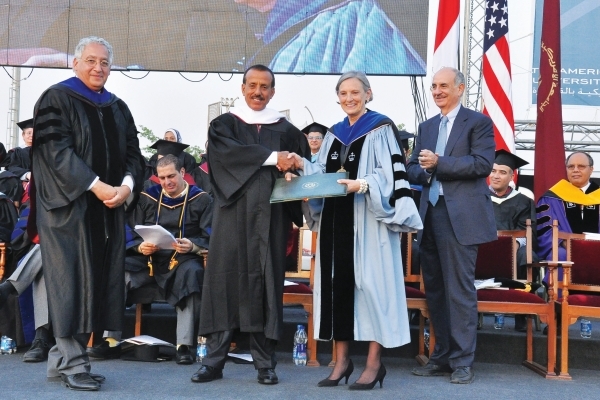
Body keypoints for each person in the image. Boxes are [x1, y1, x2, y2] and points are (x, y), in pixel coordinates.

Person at [292, 71, 422, 390]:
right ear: (338, 98)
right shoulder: (334, 134)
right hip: (336, 223)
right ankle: (342, 362)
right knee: (338, 288)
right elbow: (323, 173)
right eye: (343, 93)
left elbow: (390, 174)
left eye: (355, 92)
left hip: (370, 221)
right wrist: (300, 167)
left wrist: (362, 184)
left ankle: (374, 364)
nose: (349, 98)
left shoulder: (381, 128)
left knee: (372, 289)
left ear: (368, 94)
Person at [29, 36, 144, 391]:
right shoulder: (56, 98)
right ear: (75, 63)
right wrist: (96, 185)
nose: (98, 68)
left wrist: (126, 186)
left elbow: (134, 154)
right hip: (69, 211)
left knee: (94, 284)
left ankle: (61, 362)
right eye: (91, 60)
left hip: (107, 210)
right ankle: (74, 364)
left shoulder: (117, 106)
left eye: (105, 62)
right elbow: (55, 153)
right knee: (71, 284)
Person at [191, 64, 309, 385]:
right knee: (223, 283)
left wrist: (292, 172)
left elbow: (299, 165)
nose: (258, 92)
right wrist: (273, 158)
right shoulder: (224, 125)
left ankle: (265, 364)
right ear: (242, 88)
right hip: (232, 216)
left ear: (273, 91)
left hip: (271, 219)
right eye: (252, 85)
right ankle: (213, 362)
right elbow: (225, 157)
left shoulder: (287, 130)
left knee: (266, 285)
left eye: (264, 87)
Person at [407, 67, 496, 384]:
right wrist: (426, 169)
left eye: (443, 85)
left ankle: (462, 362)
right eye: (433, 86)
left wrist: (439, 163)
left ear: (460, 88)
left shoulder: (478, 122)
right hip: (429, 215)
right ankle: (441, 357)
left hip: (460, 217)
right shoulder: (427, 126)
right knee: (435, 291)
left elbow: (482, 164)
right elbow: (412, 168)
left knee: (458, 291)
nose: (437, 91)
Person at [90, 154, 212, 364]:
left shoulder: (202, 200)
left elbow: (212, 235)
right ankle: (110, 340)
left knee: (193, 273)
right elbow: (129, 230)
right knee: (119, 271)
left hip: (181, 260)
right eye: (162, 178)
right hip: (148, 260)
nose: (167, 182)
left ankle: (184, 345)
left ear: (183, 172)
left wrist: (192, 245)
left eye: (171, 176)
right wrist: (140, 246)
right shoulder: (148, 197)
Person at [489, 149, 538, 332]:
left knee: (527, 255)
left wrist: (512, 245)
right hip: (482, 247)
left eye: (502, 172)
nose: (496, 176)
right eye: (493, 171)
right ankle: (471, 312)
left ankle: (522, 312)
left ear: (512, 176)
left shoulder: (524, 201)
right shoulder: (477, 198)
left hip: (514, 249)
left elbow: (528, 231)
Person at [537, 151, 600, 262]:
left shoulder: (597, 195)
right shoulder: (552, 197)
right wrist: (568, 245)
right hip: (565, 249)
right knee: (558, 254)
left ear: (591, 169)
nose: (575, 170)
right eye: (571, 166)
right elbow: (546, 230)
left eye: (581, 166)